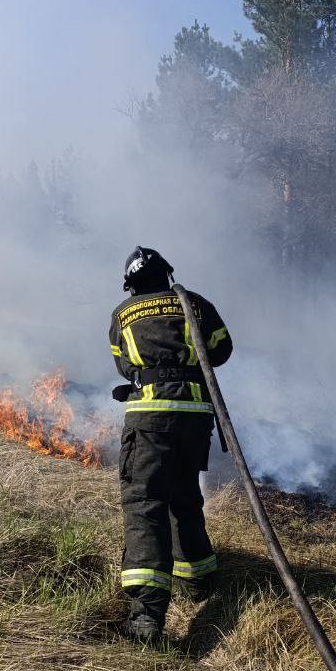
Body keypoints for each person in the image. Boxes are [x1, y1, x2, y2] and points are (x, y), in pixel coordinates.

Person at [109, 246, 233, 643]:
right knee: (184, 497)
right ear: (166, 274)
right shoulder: (194, 304)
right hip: (195, 419)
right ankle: (197, 581)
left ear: (131, 284)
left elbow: (124, 365)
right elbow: (221, 350)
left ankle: (146, 615)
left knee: (145, 504)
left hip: (149, 420)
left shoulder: (122, 315)